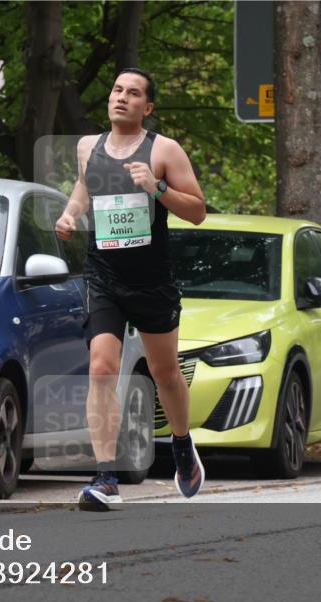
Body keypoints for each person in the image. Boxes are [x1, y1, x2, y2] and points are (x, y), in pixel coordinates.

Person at [55, 67, 207, 510]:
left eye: (133, 93)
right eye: (117, 90)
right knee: (101, 367)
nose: (122, 97)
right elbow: (85, 189)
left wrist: (156, 187)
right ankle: (105, 478)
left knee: (165, 373)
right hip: (103, 275)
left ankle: (181, 444)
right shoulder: (88, 147)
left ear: (148, 107)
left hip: (151, 281)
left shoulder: (164, 150)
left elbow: (197, 211)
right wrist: (69, 216)